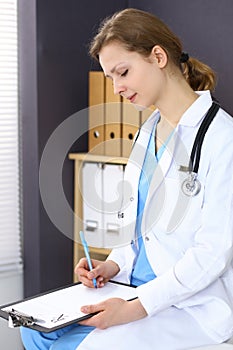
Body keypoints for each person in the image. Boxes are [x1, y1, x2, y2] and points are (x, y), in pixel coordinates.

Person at [21, 8, 233, 350]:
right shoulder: (148, 130)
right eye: (110, 78)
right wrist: (112, 264)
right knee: (34, 331)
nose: (117, 87)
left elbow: (211, 255)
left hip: (187, 305)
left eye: (123, 72)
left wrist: (135, 308)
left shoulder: (223, 139)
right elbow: (138, 226)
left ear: (158, 57)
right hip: (129, 286)